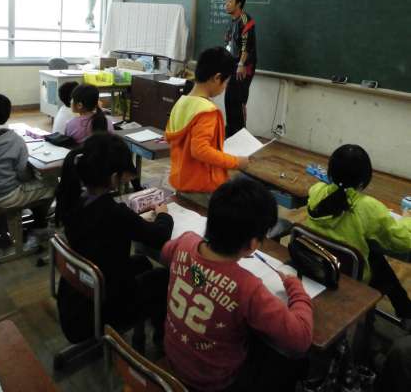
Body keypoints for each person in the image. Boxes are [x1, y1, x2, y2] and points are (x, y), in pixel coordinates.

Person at [161, 177, 313, 392]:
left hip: (174, 359)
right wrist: (296, 287)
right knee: (288, 361)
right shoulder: (248, 288)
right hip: (214, 383)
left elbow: (166, 254)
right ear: (252, 244)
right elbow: (301, 338)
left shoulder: (186, 242)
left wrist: (199, 278)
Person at [55, 133, 174, 345]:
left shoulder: (71, 198)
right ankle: (161, 340)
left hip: (76, 296)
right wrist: (163, 214)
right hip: (101, 310)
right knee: (164, 277)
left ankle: (142, 328)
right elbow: (159, 236)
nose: (127, 180)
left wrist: (132, 219)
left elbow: (113, 226)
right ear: (112, 178)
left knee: (142, 262)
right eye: (124, 176)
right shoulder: (114, 213)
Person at [306, 144, 411, 323]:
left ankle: (405, 311)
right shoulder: (369, 207)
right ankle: (404, 313)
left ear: (330, 173)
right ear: (363, 181)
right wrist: (407, 218)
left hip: (316, 265)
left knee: (376, 259)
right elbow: (404, 241)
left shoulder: (316, 191)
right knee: (379, 265)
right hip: (350, 278)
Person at [165, 47, 249, 207]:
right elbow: (200, 150)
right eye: (226, 82)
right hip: (202, 188)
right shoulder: (207, 111)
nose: (225, 87)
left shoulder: (180, 103)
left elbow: (169, 138)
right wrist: (236, 162)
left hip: (182, 182)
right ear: (217, 78)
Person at [0, 93, 55, 236]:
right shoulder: (14, 139)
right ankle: (39, 223)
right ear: (7, 115)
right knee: (52, 184)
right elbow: (22, 173)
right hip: (4, 196)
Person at [224, 0, 257, 137]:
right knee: (229, 99)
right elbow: (228, 45)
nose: (226, 4)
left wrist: (241, 64)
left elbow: (246, 45)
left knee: (238, 102)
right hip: (233, 66)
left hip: (243, 67)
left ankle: (240, 136)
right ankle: (230, 134)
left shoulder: (245, 19)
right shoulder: (232, 22)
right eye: (226, 1)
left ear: (239, 3)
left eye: (230, 1)